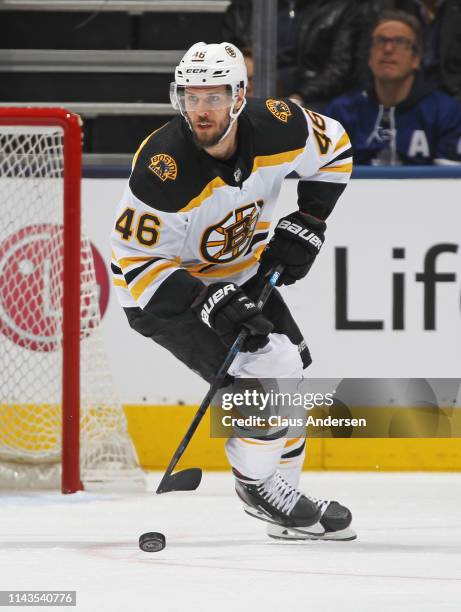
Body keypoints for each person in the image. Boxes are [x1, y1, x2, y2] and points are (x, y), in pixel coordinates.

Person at [110, 42, 355, 541]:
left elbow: (337, 149)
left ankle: (282, 500)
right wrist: (208, 301)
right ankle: (256, 487)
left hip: (238, 274)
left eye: (214, 96)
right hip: (163, 291)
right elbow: (135, 262)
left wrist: (309, 219)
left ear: (239, 96)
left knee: (293, 371)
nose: (201, 110)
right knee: (264, 380)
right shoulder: (164, 166)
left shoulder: (280, 125)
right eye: (191, 97)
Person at [325, 11, 461, 165]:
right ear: (369, 57)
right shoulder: (342, 111)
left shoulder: (446, 113)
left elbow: (450, 182)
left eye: (400, 42)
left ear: (416, 59)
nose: (388, 49)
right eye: (380, 41)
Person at [221, 0, 358, 108]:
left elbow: (339, 69)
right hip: (253, 90)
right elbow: (226, 58)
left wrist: (300, 96)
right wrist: (247, 78)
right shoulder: (244, 8)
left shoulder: (338, 8)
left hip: (312, 98)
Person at [354, 0, 461, 100]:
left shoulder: (455, 9)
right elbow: (367, 55)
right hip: (398, 93)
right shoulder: (392, 6)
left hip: (452, 93)